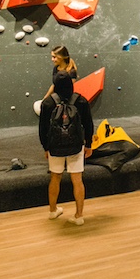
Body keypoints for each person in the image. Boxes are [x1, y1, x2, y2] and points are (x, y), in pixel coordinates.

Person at [39, 72, 95, 226]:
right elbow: (89, 125)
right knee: (77, 180)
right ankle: (79, 215)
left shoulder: (48, 103)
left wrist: (46, 147)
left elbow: (43, 128)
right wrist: (88, 144)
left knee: (55, 177)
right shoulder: (81, 100)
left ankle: (53, 211)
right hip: (76, 146)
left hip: (55, 147)